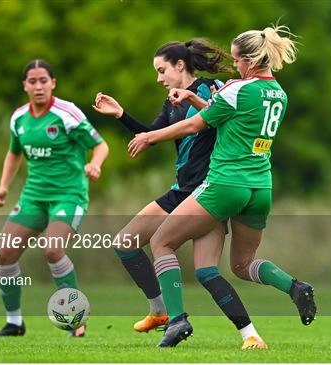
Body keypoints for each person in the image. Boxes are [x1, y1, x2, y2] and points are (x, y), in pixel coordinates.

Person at [128, 24, 317, 349]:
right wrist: (191, 96)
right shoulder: (279, 94)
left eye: (237, 60)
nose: (235, 66)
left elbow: (193, 125)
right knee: (242, 265)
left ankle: (176, 321)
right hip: (261, 187)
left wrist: (149, 136)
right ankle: (295, 287)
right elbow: (227, 116)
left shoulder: (237, 89)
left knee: (161, 242)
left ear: (250, 60)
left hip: (226, 184)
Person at [94, 40, 260, 347]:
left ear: (180, 65)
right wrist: (120, 115)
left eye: (162, 70)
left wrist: (194, 100)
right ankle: (168, 314)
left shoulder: (213, 87)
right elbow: (150, 135)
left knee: (202, 268)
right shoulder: (171, 101)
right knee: (128, 244)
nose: (159, 78)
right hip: (183, 189)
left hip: (207, 188)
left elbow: (212, 121)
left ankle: (181, 320)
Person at [0, 59, 109, 337]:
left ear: (52, 83)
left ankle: (75, 320)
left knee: (53, 250)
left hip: (69, 195)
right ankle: (14, 323)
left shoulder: (67, 113)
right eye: (32, 81)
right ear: (25, 86)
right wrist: (3, 186)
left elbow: (100, 144)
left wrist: (96, 164)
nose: (38, 86)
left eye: (43, 80)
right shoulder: (19, 118)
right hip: (34, 196)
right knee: (4, 254)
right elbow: (14, 153)